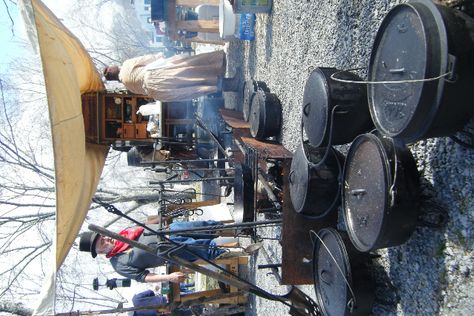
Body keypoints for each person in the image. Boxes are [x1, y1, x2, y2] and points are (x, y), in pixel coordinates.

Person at [79, 220, 227, 284]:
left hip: (172, 230)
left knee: (207, 226)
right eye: (102, 242)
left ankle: (239, 228)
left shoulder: (122, 234)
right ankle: (239, 247)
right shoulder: (118, 264)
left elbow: (143, 226)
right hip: (173, 251)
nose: (106, 239)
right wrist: (168, 277)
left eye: (103, 236)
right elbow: (144, 277)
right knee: (207, 249)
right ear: (99, 251)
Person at [103, 50, 241, 102]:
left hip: (157, 93)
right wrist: (159, 56)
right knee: (192, 71)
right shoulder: (126, 66)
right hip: (156, 76)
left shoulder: (128, 87)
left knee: (195, 86)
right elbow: (146, 59)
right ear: (113, 70)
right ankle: (228, 79)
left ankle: (229, 85)